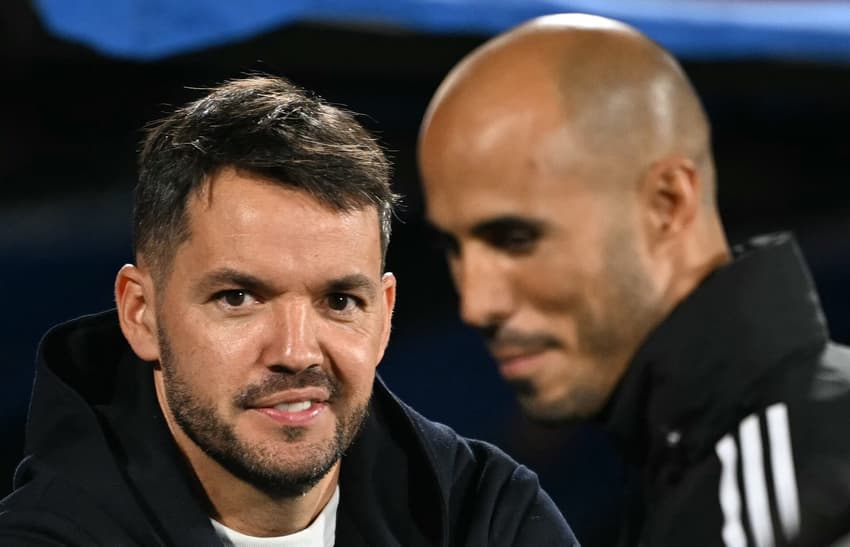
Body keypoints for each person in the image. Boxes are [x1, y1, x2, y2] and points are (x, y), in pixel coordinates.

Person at [0, 75, 577, 546]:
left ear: (384, 316)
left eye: (340, 301)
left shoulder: (486, 515)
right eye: (238, 299)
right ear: (140, 314)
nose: (296, 352)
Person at [418, 13, 850, 547]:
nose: (476, 305)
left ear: (667, 205)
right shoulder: (706, 469)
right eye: (454, 250)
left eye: (515, 238)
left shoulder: (794, 488)